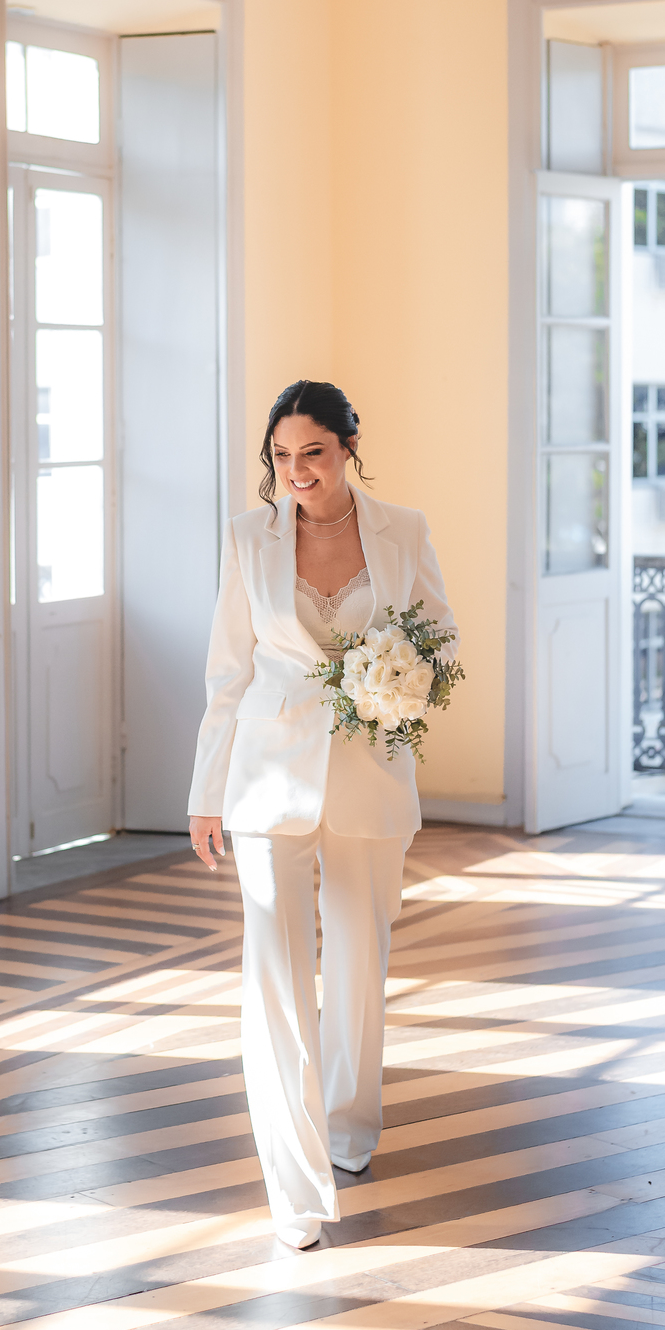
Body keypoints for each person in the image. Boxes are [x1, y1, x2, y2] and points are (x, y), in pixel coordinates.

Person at [187, 379, 458, 1249]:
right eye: (281, 456)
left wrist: (396, 683)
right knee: (273, 983)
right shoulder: (245, 541)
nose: (296, 471)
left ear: (346, 448)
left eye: (313, 452)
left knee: (355, 970)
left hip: (371, 778)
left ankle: (347, 1129)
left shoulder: (403, 531)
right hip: (267, 782)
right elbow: (227, 675)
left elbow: (440, 640)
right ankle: (295, 1191)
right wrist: (205, 794)